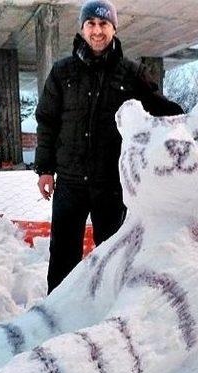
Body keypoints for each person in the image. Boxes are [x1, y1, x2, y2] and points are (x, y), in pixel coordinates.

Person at [35, 0, 183, 293]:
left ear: (114, 28)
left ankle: (106, 310)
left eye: (104, 24)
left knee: (113, 255)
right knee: (63, 255)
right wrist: (45, 170)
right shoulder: (62, 73)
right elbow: (47, 122)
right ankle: (56, 312)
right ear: (82, 28)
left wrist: (187, 119)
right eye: (91, 23)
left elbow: (157, 107)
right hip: (71, 183)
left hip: (111, 185)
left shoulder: (131, 74)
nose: (97, 30)